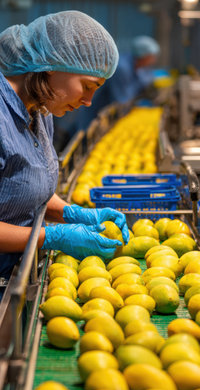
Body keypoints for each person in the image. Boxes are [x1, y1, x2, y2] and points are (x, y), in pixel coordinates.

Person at [0, 10, 130, 285]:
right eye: (86, 86)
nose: (88, 102)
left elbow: (22, 189)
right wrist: (50, 236)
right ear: (50, 64)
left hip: (17, 276)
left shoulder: (41, 109)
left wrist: (68, 212)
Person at [74, 35, 165, 131]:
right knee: (86, 135)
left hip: (109, 113)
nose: (154, 61)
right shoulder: (122, 68)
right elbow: (122, 100)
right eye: (152, 57)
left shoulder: (138, 65)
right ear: (144, 56)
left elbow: (145, 79)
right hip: (96, 112)